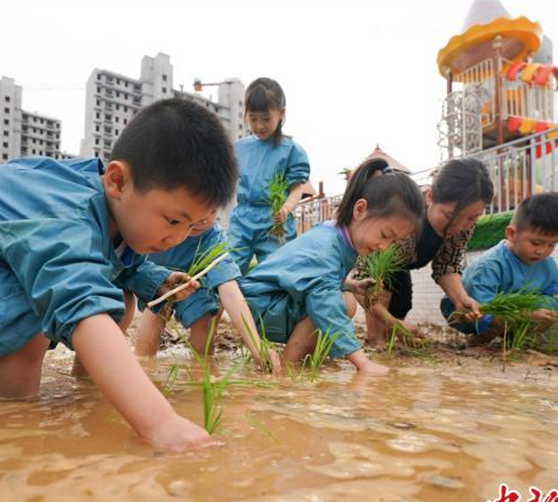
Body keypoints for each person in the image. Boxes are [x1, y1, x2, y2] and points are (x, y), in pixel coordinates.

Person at [0, 98, 237, 452]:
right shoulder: (69, 216)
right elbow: (80, 302)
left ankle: (86, 389)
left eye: (191, 227)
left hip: (6, 239)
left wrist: (153, 279)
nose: (178, 238)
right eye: (172, 220)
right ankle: (11, 430)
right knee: (22, 328)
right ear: (117, 182)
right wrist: (161, 423)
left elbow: (120, 260)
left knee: (120, 301)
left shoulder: (114, 212)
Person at [239, 158, 424, 375]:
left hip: (268, 301)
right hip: (260, 306)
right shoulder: (327, 246)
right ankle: (287, 367)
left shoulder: (336, 236)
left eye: (393, 242)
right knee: (334, 304)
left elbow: (306, 275)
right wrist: (362, 363)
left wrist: (351, 285)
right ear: (360, 209)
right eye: (384, 235)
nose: (384, 246)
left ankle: (305, 360)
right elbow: (324, 304)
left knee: (345, 300)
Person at [354, 157, 494, 347]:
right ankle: (375, 341)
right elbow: (364, 280)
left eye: (471, 218)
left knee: (402, 302)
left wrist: (461, 299)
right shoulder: (403, 220)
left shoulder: (462, 226)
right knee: (383, 293)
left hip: (402, 262)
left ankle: (388, 341)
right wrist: (392, 322)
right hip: (376, 265)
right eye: (449, 216)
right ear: (430, 197)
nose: (460, 226)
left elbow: (446, 266)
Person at [135, 213, 280, 371]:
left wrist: (257, 348)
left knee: (203, 320)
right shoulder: (157, 229)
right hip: (158, 278)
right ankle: (142, 368)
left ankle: (204, 370)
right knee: (153, 320)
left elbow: (230, 290)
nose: (202, 218)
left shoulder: (213, 241)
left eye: (211, 210)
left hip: (196, 284)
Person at [441, 192, 558, 338]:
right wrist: (523, 315)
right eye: (536, 243)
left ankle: (516, 342)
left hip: (510, 308)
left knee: (551, 306)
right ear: (511, 234)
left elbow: (556, 290)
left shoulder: (546, 262)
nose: (542, 251)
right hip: (469, 311)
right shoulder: (489, 265)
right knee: (485, 313)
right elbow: (481, 308)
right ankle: (483, 337)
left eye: (551, 244)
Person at [228, 77, 316, 274]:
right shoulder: (239, 149)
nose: (259, 126)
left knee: (278, 273)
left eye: (266, 119)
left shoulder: (292, 151)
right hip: (242, 220)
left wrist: (285, 210)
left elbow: (296, 189)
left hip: (275, 222)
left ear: (281, 113)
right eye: (253, 118)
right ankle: (219, 305)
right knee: (227, 274)